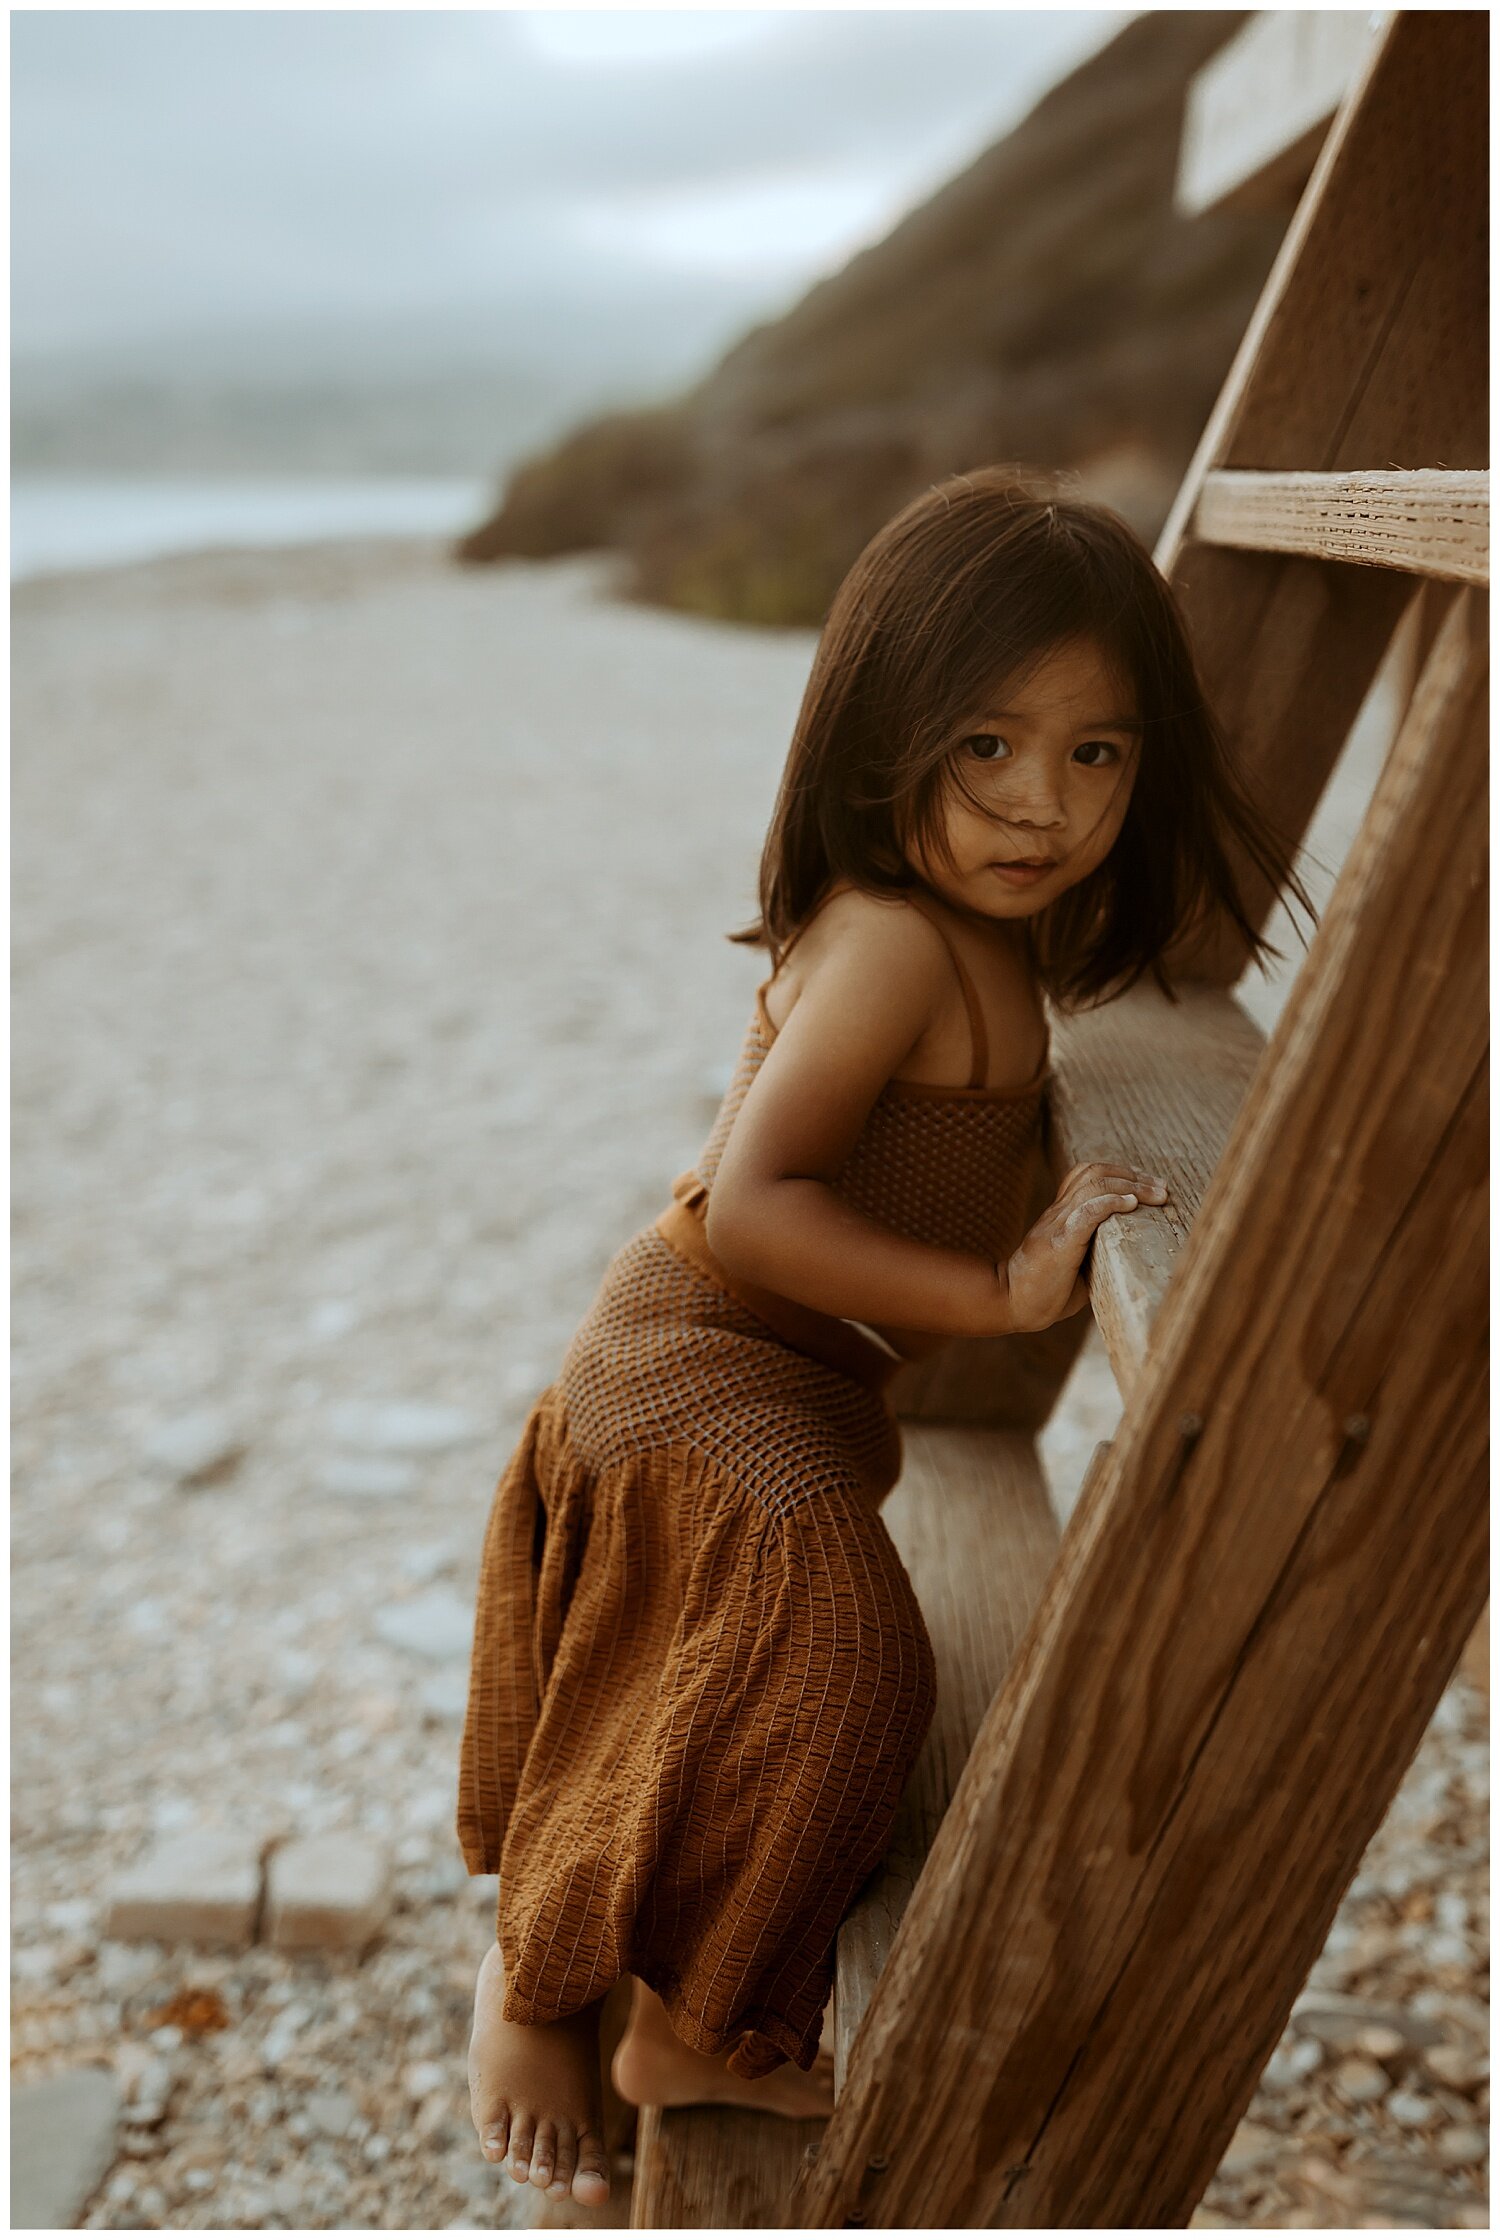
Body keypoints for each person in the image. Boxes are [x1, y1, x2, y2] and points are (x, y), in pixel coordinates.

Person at [455, 465, 1315, 2208]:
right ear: (881, 738)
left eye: (1099, 754)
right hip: (693, 1361)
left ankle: (580, 1961)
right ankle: (599, 2004)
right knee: (844, 1668)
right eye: (987, 746)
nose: (1041, 804)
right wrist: (1004, 1295)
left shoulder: (1001, 938)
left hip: (794, 1382)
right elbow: (756, 1207)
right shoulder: (892, 947)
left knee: (695, 1683)